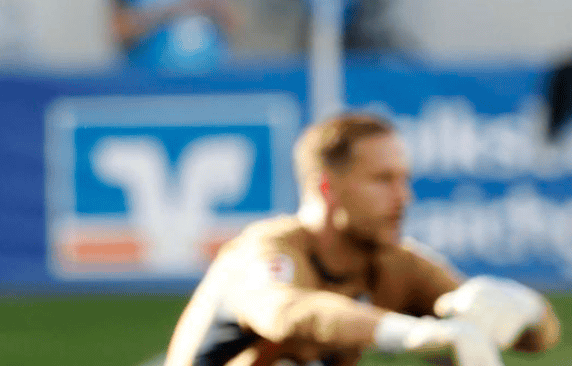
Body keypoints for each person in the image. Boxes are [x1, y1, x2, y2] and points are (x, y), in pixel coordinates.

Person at [163, 112, 561, 366]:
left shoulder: (396, 264)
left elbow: (540, 338)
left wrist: (523, 308)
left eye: (404, 180)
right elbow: (286, 312)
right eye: (383, 180)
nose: (403, 197)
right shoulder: (264, 250)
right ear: (326, 187)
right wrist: (412, 333)